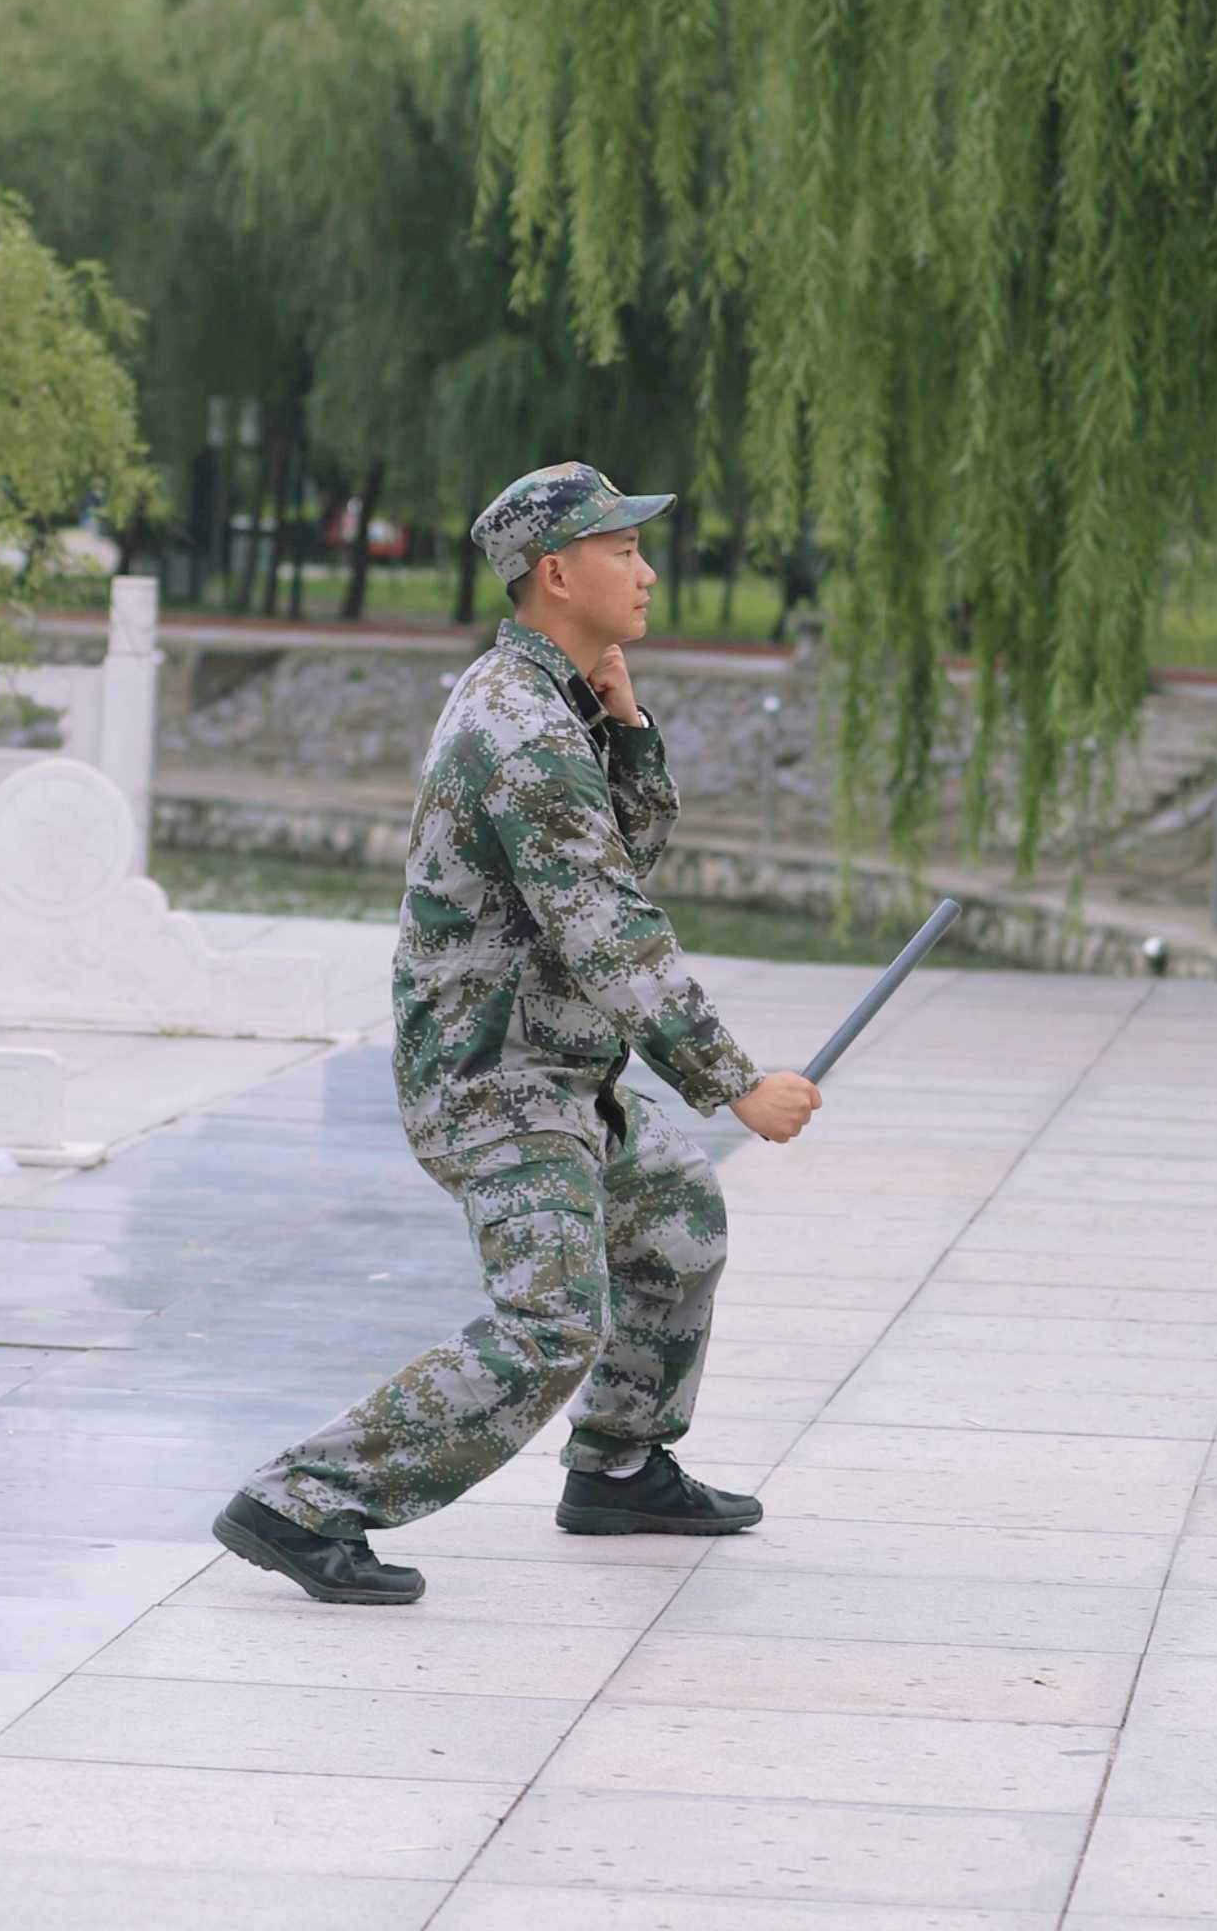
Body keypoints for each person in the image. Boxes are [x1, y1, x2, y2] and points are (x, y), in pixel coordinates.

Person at [213, 464, 824, 1605]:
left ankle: (620, 1466)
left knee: (677, 1218)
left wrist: (629, 731)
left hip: (558, 1065)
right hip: (493, 1077)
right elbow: (609, 926)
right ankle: (303, 1499)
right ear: (556, 573)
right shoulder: (520, 727)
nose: (646, 572)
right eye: (622, 551)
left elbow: (617, 860)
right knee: (551, 1322)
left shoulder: (556, 701)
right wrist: (735, 1083)